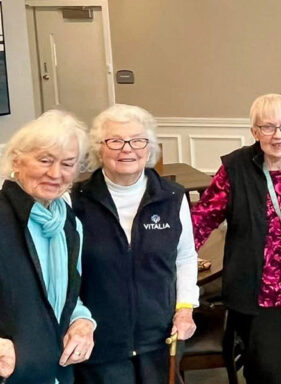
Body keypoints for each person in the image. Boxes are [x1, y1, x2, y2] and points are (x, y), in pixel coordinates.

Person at [191, 94, 281, 384]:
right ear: (254, 131)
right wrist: (176, 260)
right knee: (269, 372)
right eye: (267, 127)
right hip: (257, 291)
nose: (278, 135)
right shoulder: (235, 169)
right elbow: (201, 219)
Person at [72, 104, 199, 384]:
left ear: (149, 147)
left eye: (137, 140)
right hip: (101, 344)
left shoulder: (173, 197)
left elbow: (185, 258)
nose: (127, 149)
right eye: (115, 141)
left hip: (160, 339)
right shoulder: (76, 200)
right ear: (99, 148)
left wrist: (185, 308)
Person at [0, 110, 95, 383]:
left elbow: (69, 297)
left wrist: (83, 323)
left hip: (55, 370)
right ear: (17, 160)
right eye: (44, 160)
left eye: (67, 164)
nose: (55, 173)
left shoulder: (68, 224)